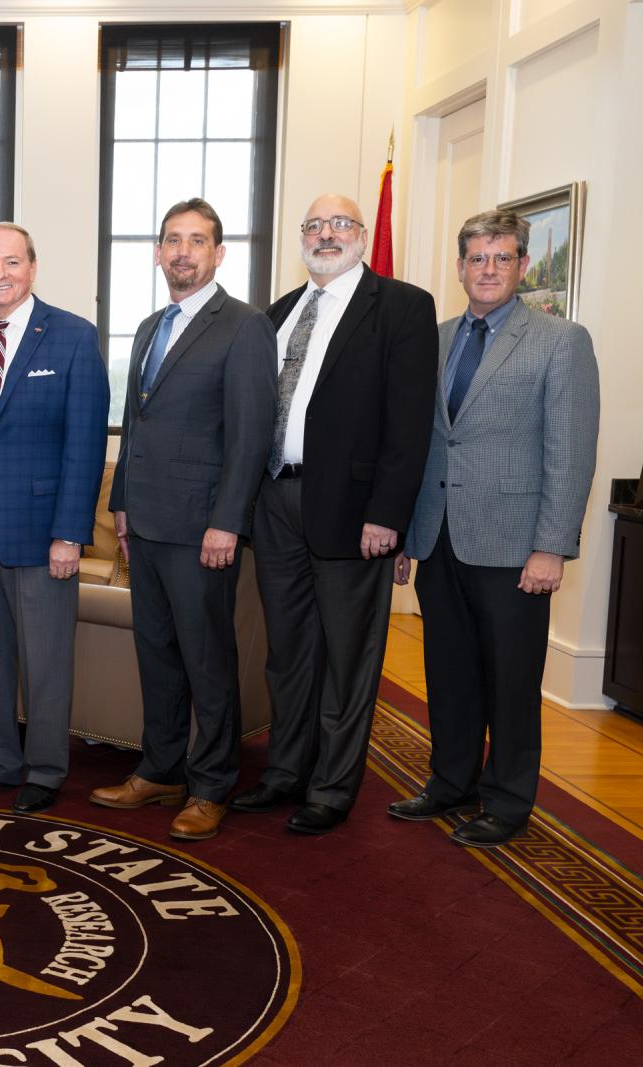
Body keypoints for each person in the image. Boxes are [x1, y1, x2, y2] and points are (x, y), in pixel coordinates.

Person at [229, 193, 437, 834]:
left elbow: (410, 424)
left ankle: (333, 785)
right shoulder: (280, 312)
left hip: (354, 510)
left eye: (339, 224)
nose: (325, 234)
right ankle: (287, 772)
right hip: (276, 501)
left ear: (361, 234)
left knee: (349, 656)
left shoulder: (402, 307)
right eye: (313, 224)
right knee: (287, 653)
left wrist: (388, 514)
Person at [390, 209, 599, 848]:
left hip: (514, 543)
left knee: (509, 679)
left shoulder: (560, 341)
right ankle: (450, 782)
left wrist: (552, 547)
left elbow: (572, 449)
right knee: (448, 669)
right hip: (439, 533)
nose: (488, 269)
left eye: (501, 258)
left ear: (522, 267)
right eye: (477, 258)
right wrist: (403, 531)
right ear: (460, 268)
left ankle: (507, 800)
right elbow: (420, 441)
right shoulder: (439, 336)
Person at [87, 199, 275, 839]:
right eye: (173, 240)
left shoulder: (244, 326)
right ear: (159, 252)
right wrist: (123, 507)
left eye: (197, 241)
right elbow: (137, 426)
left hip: (204, 530)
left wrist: (228, 522)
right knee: (157, 655)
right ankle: (161, 767)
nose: (183, 252)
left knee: (207, 660)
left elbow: (251, 436)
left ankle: (212, 783)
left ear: (219, 254)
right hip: (149, 522)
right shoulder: (148, 327)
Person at [0, 223, 109, 815]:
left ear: (33, 267)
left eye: (10, 262)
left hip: (41, 532)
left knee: (46, 657)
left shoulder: (73, 338)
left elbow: (83, 447)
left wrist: (69, 533)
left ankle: (47, 768)